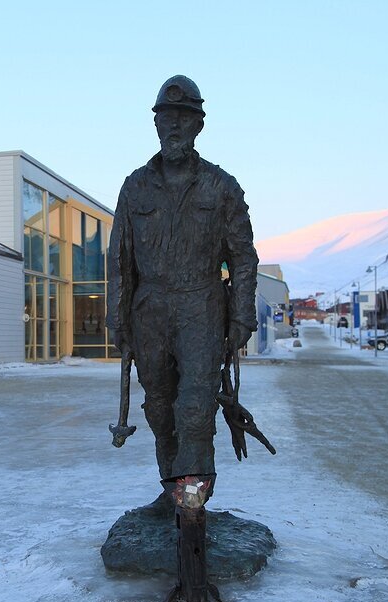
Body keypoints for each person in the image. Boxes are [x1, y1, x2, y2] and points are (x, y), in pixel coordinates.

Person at [107, 75, 258, 485]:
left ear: (198, 125)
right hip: (149, 311)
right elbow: (119, 259)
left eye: (183, 117)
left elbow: (243, 257)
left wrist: (241, 317)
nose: (174, 125)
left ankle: (193, 506)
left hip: (202, 308)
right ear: (155, 124)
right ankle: (171, 491)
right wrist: (118, 319)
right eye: (166, 117)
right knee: (158, 406)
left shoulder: (221, 187)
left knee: (195, 407)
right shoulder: (134, 186)